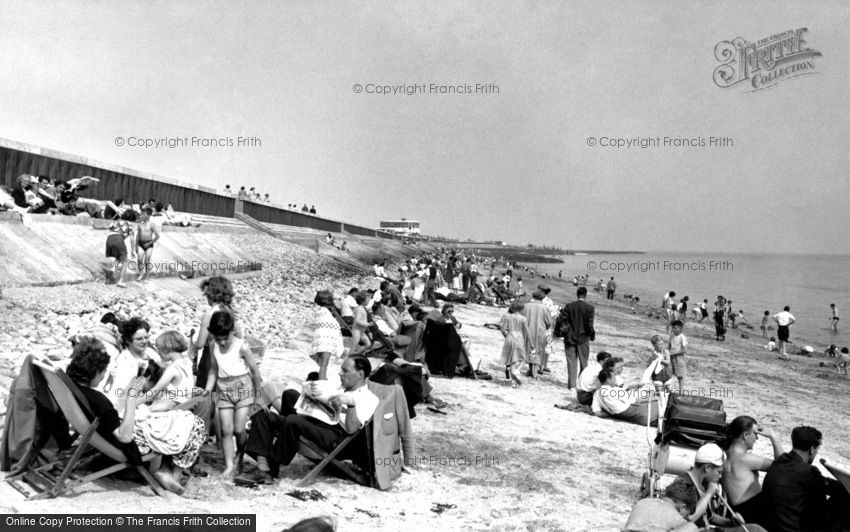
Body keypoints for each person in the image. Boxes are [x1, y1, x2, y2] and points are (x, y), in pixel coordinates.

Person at [68, 338, 205, 494]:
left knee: (180, 419)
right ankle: (171, 474)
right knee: (195, 424)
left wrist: (131, 393)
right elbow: (125, 437)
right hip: (132, 441)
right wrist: (132, 401)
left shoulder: (76, 389)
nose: (103, 376)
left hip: (112, 433)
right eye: (104, 372)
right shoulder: (98, 400)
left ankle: (168, 471)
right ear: (94, 371)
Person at [239, 357, 378, 485]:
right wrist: (312, 394)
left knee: (293, 421)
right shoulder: (340, 388)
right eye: (341, 369)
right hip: (318, 422)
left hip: (335, 437)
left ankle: (271, 466)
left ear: (360, 374)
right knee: (283, 399)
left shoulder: (369, 398)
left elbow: (352, 429)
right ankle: (264, 464)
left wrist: (351, 404)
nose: (340, 373)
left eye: (345, 371)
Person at [204, 311, 263, 479]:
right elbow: (213, 370)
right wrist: (208, 390)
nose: (222, 342)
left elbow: (255, 373)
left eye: (225, 338)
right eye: (218, 338)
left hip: (243, 387)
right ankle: (229, 465)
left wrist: (257, 397)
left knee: (239, 429)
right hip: (223, 389)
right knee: (226, 429)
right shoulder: (212, 345)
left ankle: (240, 453)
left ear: (231, 332)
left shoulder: (242, 346)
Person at [761, 426, 849, 532]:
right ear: (812, 449)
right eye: (817, 449)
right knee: (844, 496)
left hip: (772, 525)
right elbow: (822, 504)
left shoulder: (780, 461)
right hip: (795, 529)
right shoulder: (808, 471)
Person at [665, 443, 764, 531]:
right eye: (719, 472)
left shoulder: (703, 484)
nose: (720, 476)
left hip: (709, 529)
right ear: (707, 467)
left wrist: (730, 522)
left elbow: (709, 517)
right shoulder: (683, 483)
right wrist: (708, 494)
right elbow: (688, 519)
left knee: (755, 529)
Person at [720, 416, 783, 525]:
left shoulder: (724, 455)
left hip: (738, 511)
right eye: (755, 434)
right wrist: (773, 437)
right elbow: (784, 466)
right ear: (745, 435)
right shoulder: (744, 459)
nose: (757, 439)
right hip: (754, 513)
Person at [193, 276, 242, 390]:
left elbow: (200, 344)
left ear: (211, 295)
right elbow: (239, 336)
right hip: (228, 357)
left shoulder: (209, 314)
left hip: (210, 358)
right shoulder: (229, 311)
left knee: (207, 391)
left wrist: (193, 342)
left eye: (206, 295)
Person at [591, 359, 659, 425]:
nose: (615, 380)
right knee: (656, 401)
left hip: (621, 414)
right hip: (633, 411)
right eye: (614, 378)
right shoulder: (614, 390)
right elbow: (633, 400)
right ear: (608, 380)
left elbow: (597, 412)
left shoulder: (596, 394)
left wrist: (612, 414)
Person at [146, 330, 195, 412]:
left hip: (172, 406)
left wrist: (135, 403)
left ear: (167, 348)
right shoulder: (187, 362)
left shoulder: (173, 369)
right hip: (186, 404)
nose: (158, 353)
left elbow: (155, 390)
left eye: (159, 349)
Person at [559, 286, 596, 390]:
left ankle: (572, 385)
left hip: (570, 337)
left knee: (571, 362)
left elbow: (563, 320)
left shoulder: (569, 306)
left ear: (577, 294)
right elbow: (589, 325)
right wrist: (591, 335)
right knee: (584, 362)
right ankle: (581, 385)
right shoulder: (590, 308)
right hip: (583, 338)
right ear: (585, 295)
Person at [310, 291, 344, 380]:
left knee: (323, 362)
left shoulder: (319, 310)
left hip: (320, 337)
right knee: (324, 363)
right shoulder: (329, 310)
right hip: (327, 338)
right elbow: (341, 322)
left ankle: (323, 378)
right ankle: (322, 380)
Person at [521, 291, 552, 379]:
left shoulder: (526, 306)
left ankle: (531, 369)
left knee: (529, 349)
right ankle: (534, 371)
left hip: (527, 331)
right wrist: (546, 327)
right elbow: (549, 322)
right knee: (538, 350)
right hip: (540, 331)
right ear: (542, 298)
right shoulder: (544, 308)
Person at [499, 301, 530, 388]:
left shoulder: (508, 317)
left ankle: (514, 381)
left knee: (512, 359)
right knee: (523, 358)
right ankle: (517, 371)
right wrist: (531, 343)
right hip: (519, 337)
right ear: (521, 309)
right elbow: (527, 332)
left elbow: (503, 329)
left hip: (510, 336)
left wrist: (506, 336)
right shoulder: (523, 318)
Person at [105, 209, 137, 288]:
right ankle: (120, 281)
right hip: (118, 238)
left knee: (119, 256)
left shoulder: (116, 221)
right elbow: (132, 239)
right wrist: (133, 251)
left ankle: (112, 269)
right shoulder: (130, 224)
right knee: (125, 259)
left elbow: (107, 227)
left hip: (109, 239)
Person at [134, 206, 160, 282]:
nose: (141, 216)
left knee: (147, 261)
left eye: (143, 214)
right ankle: (141, 273)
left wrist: (149, 243)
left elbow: (157, 236)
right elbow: (137, 236)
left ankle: (147, 277)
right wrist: (135, 246)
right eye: (141, 214)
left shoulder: (152, 224)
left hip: (149, 245)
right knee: (139, 259)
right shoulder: (140, 224)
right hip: (141, 244)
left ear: (148, 215)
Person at [668, 320, 687, 394]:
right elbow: (669, 346)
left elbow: (684, 350)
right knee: (670, 374)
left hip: (679, 359)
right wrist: (667, 354)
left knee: (680, 376)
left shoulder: (682, 337)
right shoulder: (672, 336)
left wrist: (674, 353)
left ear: (680, 329)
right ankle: (670, 390)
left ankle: (681, 393)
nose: (673, 329)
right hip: (671, 357)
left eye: (675, 328)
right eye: (672, 328)